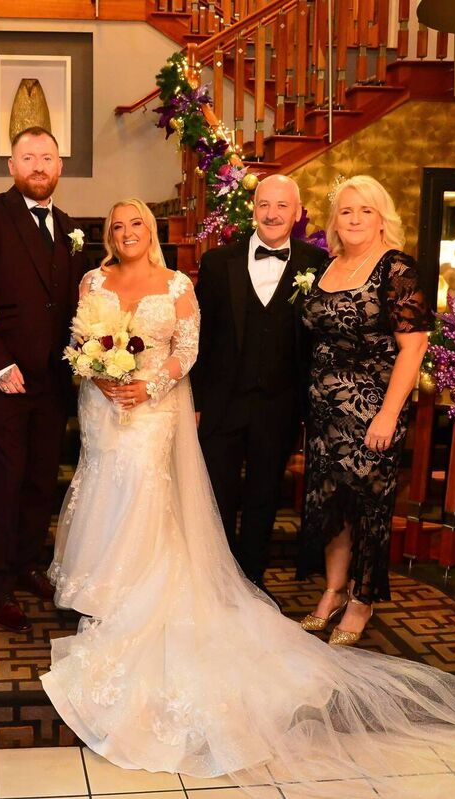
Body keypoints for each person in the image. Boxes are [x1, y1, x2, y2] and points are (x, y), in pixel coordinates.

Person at [41, 197, 455, 797]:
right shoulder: (178, 269)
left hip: (249, 405)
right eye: (118, 224)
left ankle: (272, 585)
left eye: (283, 206)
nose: (128, 232)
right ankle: (107, 584)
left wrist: (150, 382)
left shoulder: (289, 267)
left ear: (296, 215)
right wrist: (105, 374)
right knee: (125, 489)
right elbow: (129, 340)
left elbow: (193, 346)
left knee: (234, 501)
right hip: (155, 408)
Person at [0, 126, 84, 633]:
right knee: (7, 480)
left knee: (39, 479)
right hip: (5, 378)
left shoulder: (70, 226)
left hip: (53, 377)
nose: (37, 166)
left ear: (59, 167)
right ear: (11, 166)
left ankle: (29, 563)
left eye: (46, 157)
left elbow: (72, 303)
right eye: (27, 157)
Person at [297, 175, 429, 645]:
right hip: (324, 412)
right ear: (335, 220)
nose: (354, 219)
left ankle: (362, 599)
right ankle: (332, 590)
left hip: (371, 408)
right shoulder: (327, 267)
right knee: (332, 502)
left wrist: (388, 415)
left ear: (381, 219)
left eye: (365, 211)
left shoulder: (395, 268)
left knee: (370, 507)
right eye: (346, 211)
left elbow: (413, 348)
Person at [190, 175, 328, 598]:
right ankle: (217, 580)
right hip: (221, 402)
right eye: (264, 204)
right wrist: (194, 400)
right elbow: (199, 335)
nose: (272, 213)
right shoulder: (217, 263)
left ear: (298, 212)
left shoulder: (316, 265)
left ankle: (252, 580)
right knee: (218, 494)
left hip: (280, 403)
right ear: (253, 208)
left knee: (265, 495)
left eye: (282, 206)